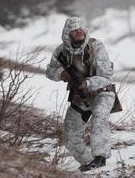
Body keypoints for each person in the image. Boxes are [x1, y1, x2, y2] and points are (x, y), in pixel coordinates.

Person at [46, 17, 118, 171]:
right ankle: (88, 162)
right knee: (70, 132)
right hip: (80, 97)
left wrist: (88, 83)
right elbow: (50, 71)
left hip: (102, 92)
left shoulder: (96, 46)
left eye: (80, 30)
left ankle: (100, 158)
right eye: (74, 31)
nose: (78, 32)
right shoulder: (61, 52)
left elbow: (106, 77)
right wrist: (62, 73)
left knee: (99, 117)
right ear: (67, 34)